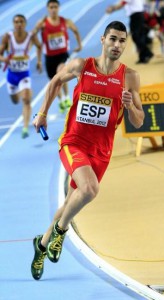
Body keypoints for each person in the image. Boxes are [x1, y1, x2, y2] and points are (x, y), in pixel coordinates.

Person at [31, 21, 144, 280]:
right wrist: (43, 113)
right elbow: (56, 81)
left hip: (101, 152)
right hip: (74, 143)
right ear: (103, 40)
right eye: (113, 39)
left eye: (122, 41)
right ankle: (61, 232)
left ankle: (41, 245)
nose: (117, 45)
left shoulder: (130, 77)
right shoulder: (82, 66)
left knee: (74, 199)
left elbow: (139, 121)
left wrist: (130, 107)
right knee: (90, 189)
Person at [33, 0, 82, 113]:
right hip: (49, 57)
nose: (53, 9)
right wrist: (39, 60)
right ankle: (61, 100)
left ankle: (66, 97)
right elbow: (34, 38)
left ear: (59, 8)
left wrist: (80, 45)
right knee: (54, 81)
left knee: (60, 72)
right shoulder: (43, 24)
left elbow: (76, 31)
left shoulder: (65, 21)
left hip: (62, 55)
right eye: (51, 7)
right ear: (48, 9)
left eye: (55, 7)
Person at [0, 14, 42, 138]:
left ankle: (25, 127)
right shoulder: (8, 37)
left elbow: (39, 47)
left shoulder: (31, 37)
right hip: (12, 76)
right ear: (13, 24)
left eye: (21, 22)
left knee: (27, 99)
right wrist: (5, 59)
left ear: (25, 24)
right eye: (16, 22)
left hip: (24, 74)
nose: (19, 24)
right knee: (15, 100)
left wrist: (39, 61)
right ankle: (19, 92)